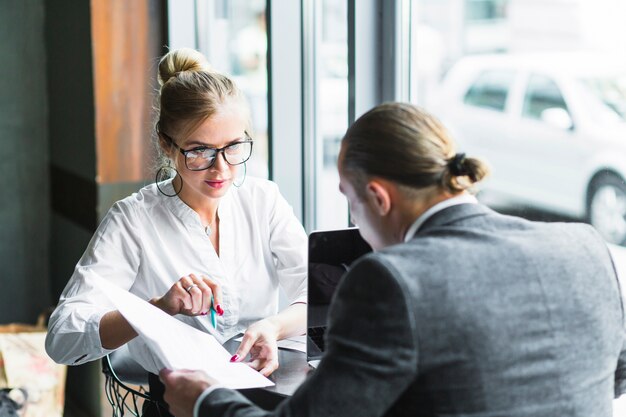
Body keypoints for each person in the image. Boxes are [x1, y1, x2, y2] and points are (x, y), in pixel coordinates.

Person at [159, 102, 626, 417]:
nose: (357, 225)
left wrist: (206, 401)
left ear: (378, 198)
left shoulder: (389, 281)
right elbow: (613, 375)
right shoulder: (584, 246)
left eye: (351, 202)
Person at [45, 48, 307, 379]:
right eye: (200, 151)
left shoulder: (263, 200)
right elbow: (62, 338)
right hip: (178, 402)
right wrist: (156, 310)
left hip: (261, 389)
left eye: (233, 147)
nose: (221, 169)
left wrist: (273, 326)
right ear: (167, 144)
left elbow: (320, 295)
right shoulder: (133, 221)